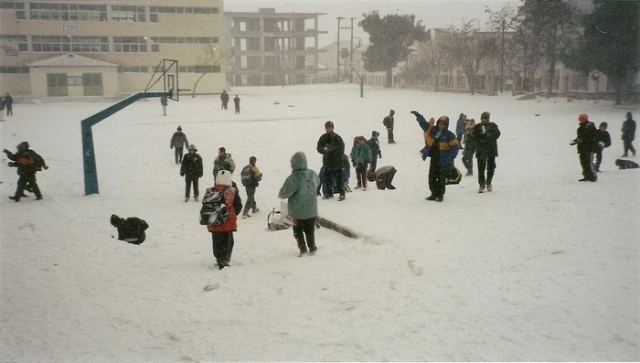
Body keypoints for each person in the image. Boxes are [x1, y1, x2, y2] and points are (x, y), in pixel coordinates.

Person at [411, 111, 460, 202]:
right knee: (432, 177)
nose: (441, 126)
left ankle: (440, 195)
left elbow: (455, 147)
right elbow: (424, 124)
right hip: (434, 158)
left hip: (444, 160)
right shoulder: (433, 130)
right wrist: (418, 116)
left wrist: (451, 157)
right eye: (440, 123)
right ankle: (434, 193)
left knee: (441, 178)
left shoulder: (450, 135)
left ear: (446, 125)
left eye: (443, 124)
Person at [278, 152, 320, 257]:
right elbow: (318, 182)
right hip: (311, 209)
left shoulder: (293, 178)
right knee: (310, 230)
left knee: (298, 231)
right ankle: (312, 247)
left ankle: (303, 249)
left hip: (297, 212)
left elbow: (283, 194)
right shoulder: (312, 174)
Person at [206, 170, 242, 270]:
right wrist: (231, 215)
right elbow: (238, 205)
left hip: (214, 222)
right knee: (228, 242)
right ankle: (224, 260)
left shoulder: (211, 191)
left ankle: (218, 258)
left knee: (216, 241)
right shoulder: (231, 191)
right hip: (227, 223)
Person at [317, 121, 346, 201]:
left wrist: (332, 149)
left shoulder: (337, 137)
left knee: (339, 179)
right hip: (327, 162)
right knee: (327, 179)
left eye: (329, 127)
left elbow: (341, 148)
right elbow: (319, 148)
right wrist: (324, 149)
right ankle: (328, 194)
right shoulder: (323, 137)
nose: (328, 129)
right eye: (327, 128)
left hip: (337, 162)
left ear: (333, 128)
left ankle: (342, 193)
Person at [472, 112, 501, 192]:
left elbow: (498, 134)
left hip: (491, 149)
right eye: (482, 118)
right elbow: (473, 135)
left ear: (488, 119)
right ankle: (481, 185)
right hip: (481, 150)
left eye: (485, 118)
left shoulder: (493, 126)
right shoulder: (477, 126)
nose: (484, 120)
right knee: (481, 168)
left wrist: (489, 135)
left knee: (491, 168)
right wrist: (479, 135)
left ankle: (488, 183)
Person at [570, 113, 598, 182]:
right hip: (582, 148)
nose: (581, 120)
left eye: (582, 119)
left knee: (589, 163)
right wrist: (575, 141)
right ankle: (586, 176)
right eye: (580, 119)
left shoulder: (590, 127)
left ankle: (593, 176)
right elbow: (580, 137)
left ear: (586, 119)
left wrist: (582, 140)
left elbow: (591, 137)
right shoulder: (580, 128)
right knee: (583, 163)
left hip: (589, 148)